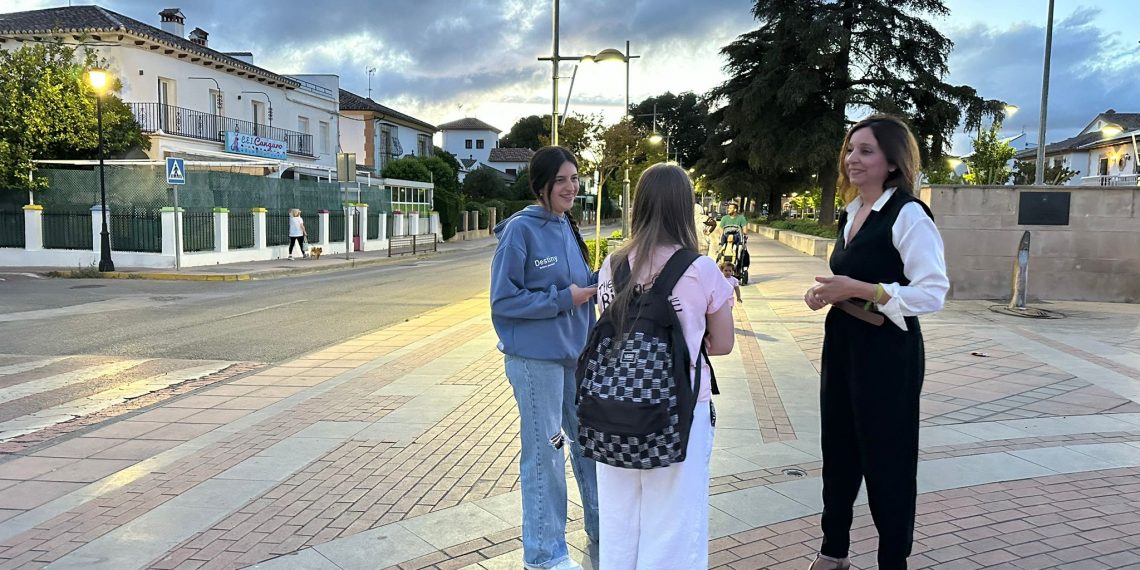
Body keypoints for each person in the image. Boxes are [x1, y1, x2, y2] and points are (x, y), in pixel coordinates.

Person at [802, 114, 949, 570]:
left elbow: (932, 292)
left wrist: (860, 289)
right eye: (850, 149)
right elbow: (849, 280)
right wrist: (826, 292)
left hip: (888, 353)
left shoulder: (908, 214)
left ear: (892, 162)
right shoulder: (850, 213)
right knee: (839, 450)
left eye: (866, 151)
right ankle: (834, 552)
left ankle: (892, 561)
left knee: (888, 459)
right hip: (843, 342)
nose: (852, 160)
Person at [594, 163, 736, 569]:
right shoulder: (701, 269)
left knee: (620, 519)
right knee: (674, 520)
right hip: (679, 409)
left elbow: (607, 328)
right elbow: (722, 344)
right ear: (683, 207)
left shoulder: (613, 265)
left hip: (615, 408)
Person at [489, 146, 599, 570]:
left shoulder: (566, 225)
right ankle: (544, 554)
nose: (571, 187)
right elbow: (503, 300)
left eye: (575, 178)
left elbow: (576, 283)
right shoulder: (521, 231)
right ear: (541, 185)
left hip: (576, 357)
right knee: (547, 454)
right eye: (561, 180)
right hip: (537, 362)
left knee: (588, 445)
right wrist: (561, 300)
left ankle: (603, 526)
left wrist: (602, 279)